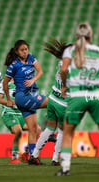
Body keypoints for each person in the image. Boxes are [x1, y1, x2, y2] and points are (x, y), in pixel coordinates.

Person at [55, 22, 99, 176]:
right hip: (96, 94)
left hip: (77, 95)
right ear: (91, 35)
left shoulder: (70, 50)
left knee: (68, 133)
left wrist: (64, 85)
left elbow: (63, 69)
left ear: (76, 35)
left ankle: (65, 168)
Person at [3, 40, 49, 165]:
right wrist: (8, 99)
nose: (25, 52)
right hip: (23, 97)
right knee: (52, 103)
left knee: (33, 129)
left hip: (31, 95)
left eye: (26, 49)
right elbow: (4, 83)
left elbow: (40, 71)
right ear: (17, 52)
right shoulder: (14, 65)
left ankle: (32, 157)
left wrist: (33, 79)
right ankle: (50, 132)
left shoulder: (31, 58)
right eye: (22, 50)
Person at [30, 38, 71, 166]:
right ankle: (55, 159)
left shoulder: (61, 63)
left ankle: (34, 155)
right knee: (62, 131)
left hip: (52, 98)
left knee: (49, 128)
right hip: (63, 103)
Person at [0, 79, 41, 163]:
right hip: (9, 112)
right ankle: (14, 157)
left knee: (37, 129)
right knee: (18, 131)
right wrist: (10, 102)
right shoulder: (5, 83)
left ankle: (27, 153)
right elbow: (0, 100)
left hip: (21, 113)